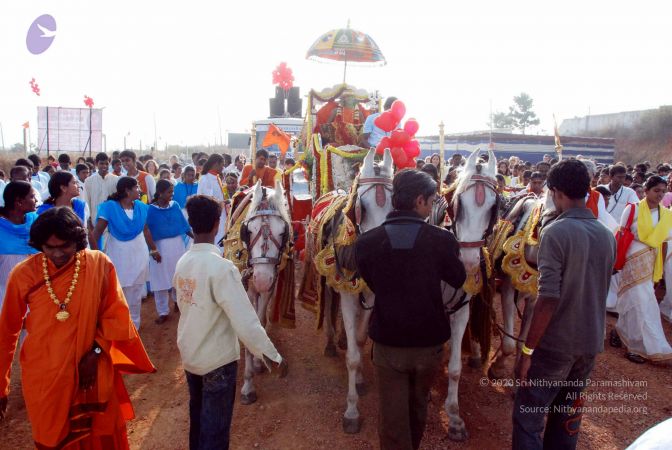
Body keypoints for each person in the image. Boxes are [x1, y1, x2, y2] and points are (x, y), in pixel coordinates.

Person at [0, 207, 155, 448]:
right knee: (54, 436)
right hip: (45, 376)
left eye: (65, 246)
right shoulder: (23, 275)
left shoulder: (98, 265)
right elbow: (7, 332)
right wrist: (2, 386)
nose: (58, 253)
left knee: (100, 436)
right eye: (49, 247)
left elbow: (116, 318)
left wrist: (94, 352)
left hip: (92, 370)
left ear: (78, 240)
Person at [355, 169, 466, 450]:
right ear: (420, 201)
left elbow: (372, 282)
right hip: (428, 345)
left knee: (392, 420)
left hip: (388, 344)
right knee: (417, 410)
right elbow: (458, 279)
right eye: (431, 201)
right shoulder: (441, 240)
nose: (431, 207)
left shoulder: (366, 243)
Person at [512, 160, 615, 450]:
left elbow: (547, 300)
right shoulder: (607, 236)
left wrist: (527, 350)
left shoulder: (555, 232)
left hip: (555, 344)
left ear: (556, 192)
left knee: (529, 417)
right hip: (589, 344)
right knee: (567, 419)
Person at [174, 195, 287, 450]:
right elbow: (246, 322)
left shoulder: (183, 262)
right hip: (217, 363)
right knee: (215, 430)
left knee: (198, 420)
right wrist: (272, 356)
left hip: (191, 357)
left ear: (191, 225)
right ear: (217, 225)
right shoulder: (222, 268)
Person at [612, 176, 672, 363]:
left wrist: (659, 271)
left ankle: (621, 332)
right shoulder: (633, 209)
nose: (660, 195)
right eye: (656, 191)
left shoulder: (667, 215)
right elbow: (622, 235)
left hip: (651, 262)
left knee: (640, 301)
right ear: (646, 191)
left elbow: (662, 243)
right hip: (632, 259)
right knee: (638, 300)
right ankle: (636, 346)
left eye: (663, 191)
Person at [91, 177, 161, 330]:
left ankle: (133, 325)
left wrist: (154, 249)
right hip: (118, 253)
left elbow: (146, 230)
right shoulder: (109, 207)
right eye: (136, 187)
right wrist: (95, 256)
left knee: (136, 291)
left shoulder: (142, 207)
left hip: (139, 252)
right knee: (118, 290)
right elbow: (96, 233)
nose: (140, 190)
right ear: (127, 190)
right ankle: (119, 325)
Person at [147, 180, 192, 324]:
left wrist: (197, 238)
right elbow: (146, 231)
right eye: (169, 192)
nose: (172, 195)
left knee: (178, 275)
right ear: (160, 193)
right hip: (159, 247)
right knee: (160, 280)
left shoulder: (175, 206)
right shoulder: (150, 210)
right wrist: (153, 250)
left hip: (177, 245)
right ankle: (163, 311)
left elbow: (184, 226)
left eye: (172, 192)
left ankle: (178, 302)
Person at [0, 181, 38, 304]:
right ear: (19, 201)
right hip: (6, 296)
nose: (36, 200)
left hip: (37, 294)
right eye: (32, 196)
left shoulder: (36, 221)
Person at [197, 154, 227, 247]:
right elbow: (207, 200)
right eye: (222, 165)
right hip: (212, 217)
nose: (223, 167)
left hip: (221, 215)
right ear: (215, 164)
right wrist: (221, 203)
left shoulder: (216, 177)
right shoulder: (205, 178)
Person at [84, 152, 120, 232]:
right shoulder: (89, 181)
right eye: (101, 163)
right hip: (95, 222)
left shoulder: (116, 180)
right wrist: (89, 223)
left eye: (106, 164)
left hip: (113, 222)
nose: (104, 166)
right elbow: (87, 202)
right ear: (96, 164)